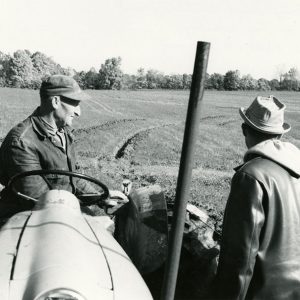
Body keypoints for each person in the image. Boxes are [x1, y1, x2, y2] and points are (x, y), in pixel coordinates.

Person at [0, 74, 127, 219]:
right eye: (75, 104)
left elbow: (73, 180)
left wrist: (103, 196)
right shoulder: (22, 142)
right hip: (26, 218)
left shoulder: (63, 132)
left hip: (61, 208)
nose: (78, 112)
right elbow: (35, 197)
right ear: (55, 101)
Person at [212, 95, 300, 299]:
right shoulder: (296, 170)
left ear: (245, 130)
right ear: (279, 135)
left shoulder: (251, 176)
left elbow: (239, 260)